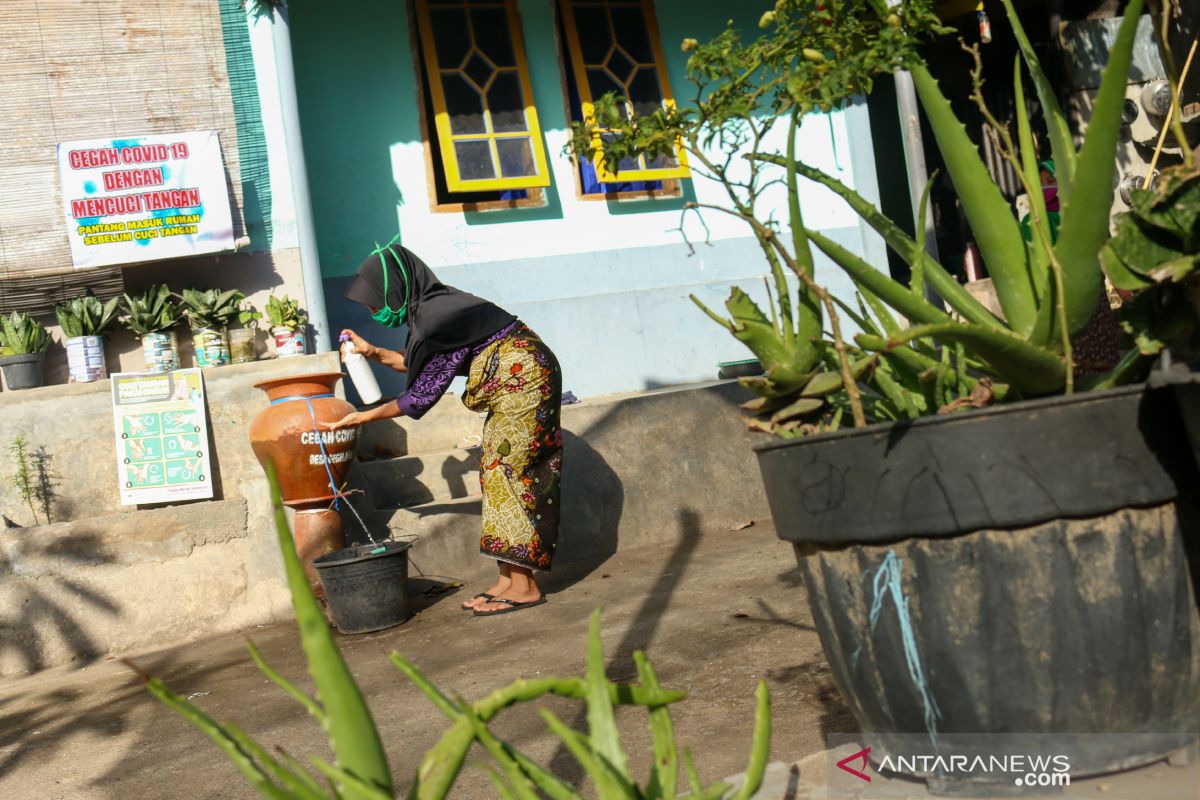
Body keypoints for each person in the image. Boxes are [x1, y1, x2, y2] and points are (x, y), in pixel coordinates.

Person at [322, 237, 563, 617]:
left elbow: (420, 395)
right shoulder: (432, 309)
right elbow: (425, 367)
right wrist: (372, 352)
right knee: (496, 475)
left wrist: (361, 416)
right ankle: (507, 579)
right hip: (514, 382)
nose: (373, 310)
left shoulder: (437, 316)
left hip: (523, 380)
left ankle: (525, 586)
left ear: (396, 289)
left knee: (511, 475)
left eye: (375, 301)